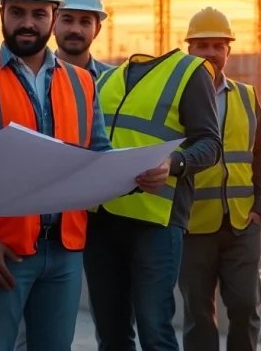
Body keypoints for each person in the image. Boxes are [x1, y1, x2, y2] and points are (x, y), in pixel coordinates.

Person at [0, 0, 113, 351]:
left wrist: (137, 173)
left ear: (54, 16)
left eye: (38, 13)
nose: (27, 22)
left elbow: (98, 156)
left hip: (65, 252)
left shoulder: (83, 84)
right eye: (17, 12)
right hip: (2, 251)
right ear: (2, 12)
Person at [87, 27, 223, 351]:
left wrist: (174, 164)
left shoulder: (189, 72)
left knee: (154, 331)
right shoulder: (105, 81)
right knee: (110, 334)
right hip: (101, 221)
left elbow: (211, 144)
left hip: (157, 222)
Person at [13, 0, 112, 351]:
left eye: (85, 21)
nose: (75, 29)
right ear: (54, 22)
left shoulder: (114, 83)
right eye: (68, 19)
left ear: (98, 27)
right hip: (29, 232)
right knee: (22, 334)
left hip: (93, 226)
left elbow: (104, 151)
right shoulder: (15, 77)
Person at [178, 7, 261, 351]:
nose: (210, 53)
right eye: (202, 45)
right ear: (189, 49)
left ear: (228, 52)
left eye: (218, 45)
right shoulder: (175, 98)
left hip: (240, 224)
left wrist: (259, 209)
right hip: (193, 225)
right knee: (199, 314)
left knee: (246, 305)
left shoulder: (246, 96)